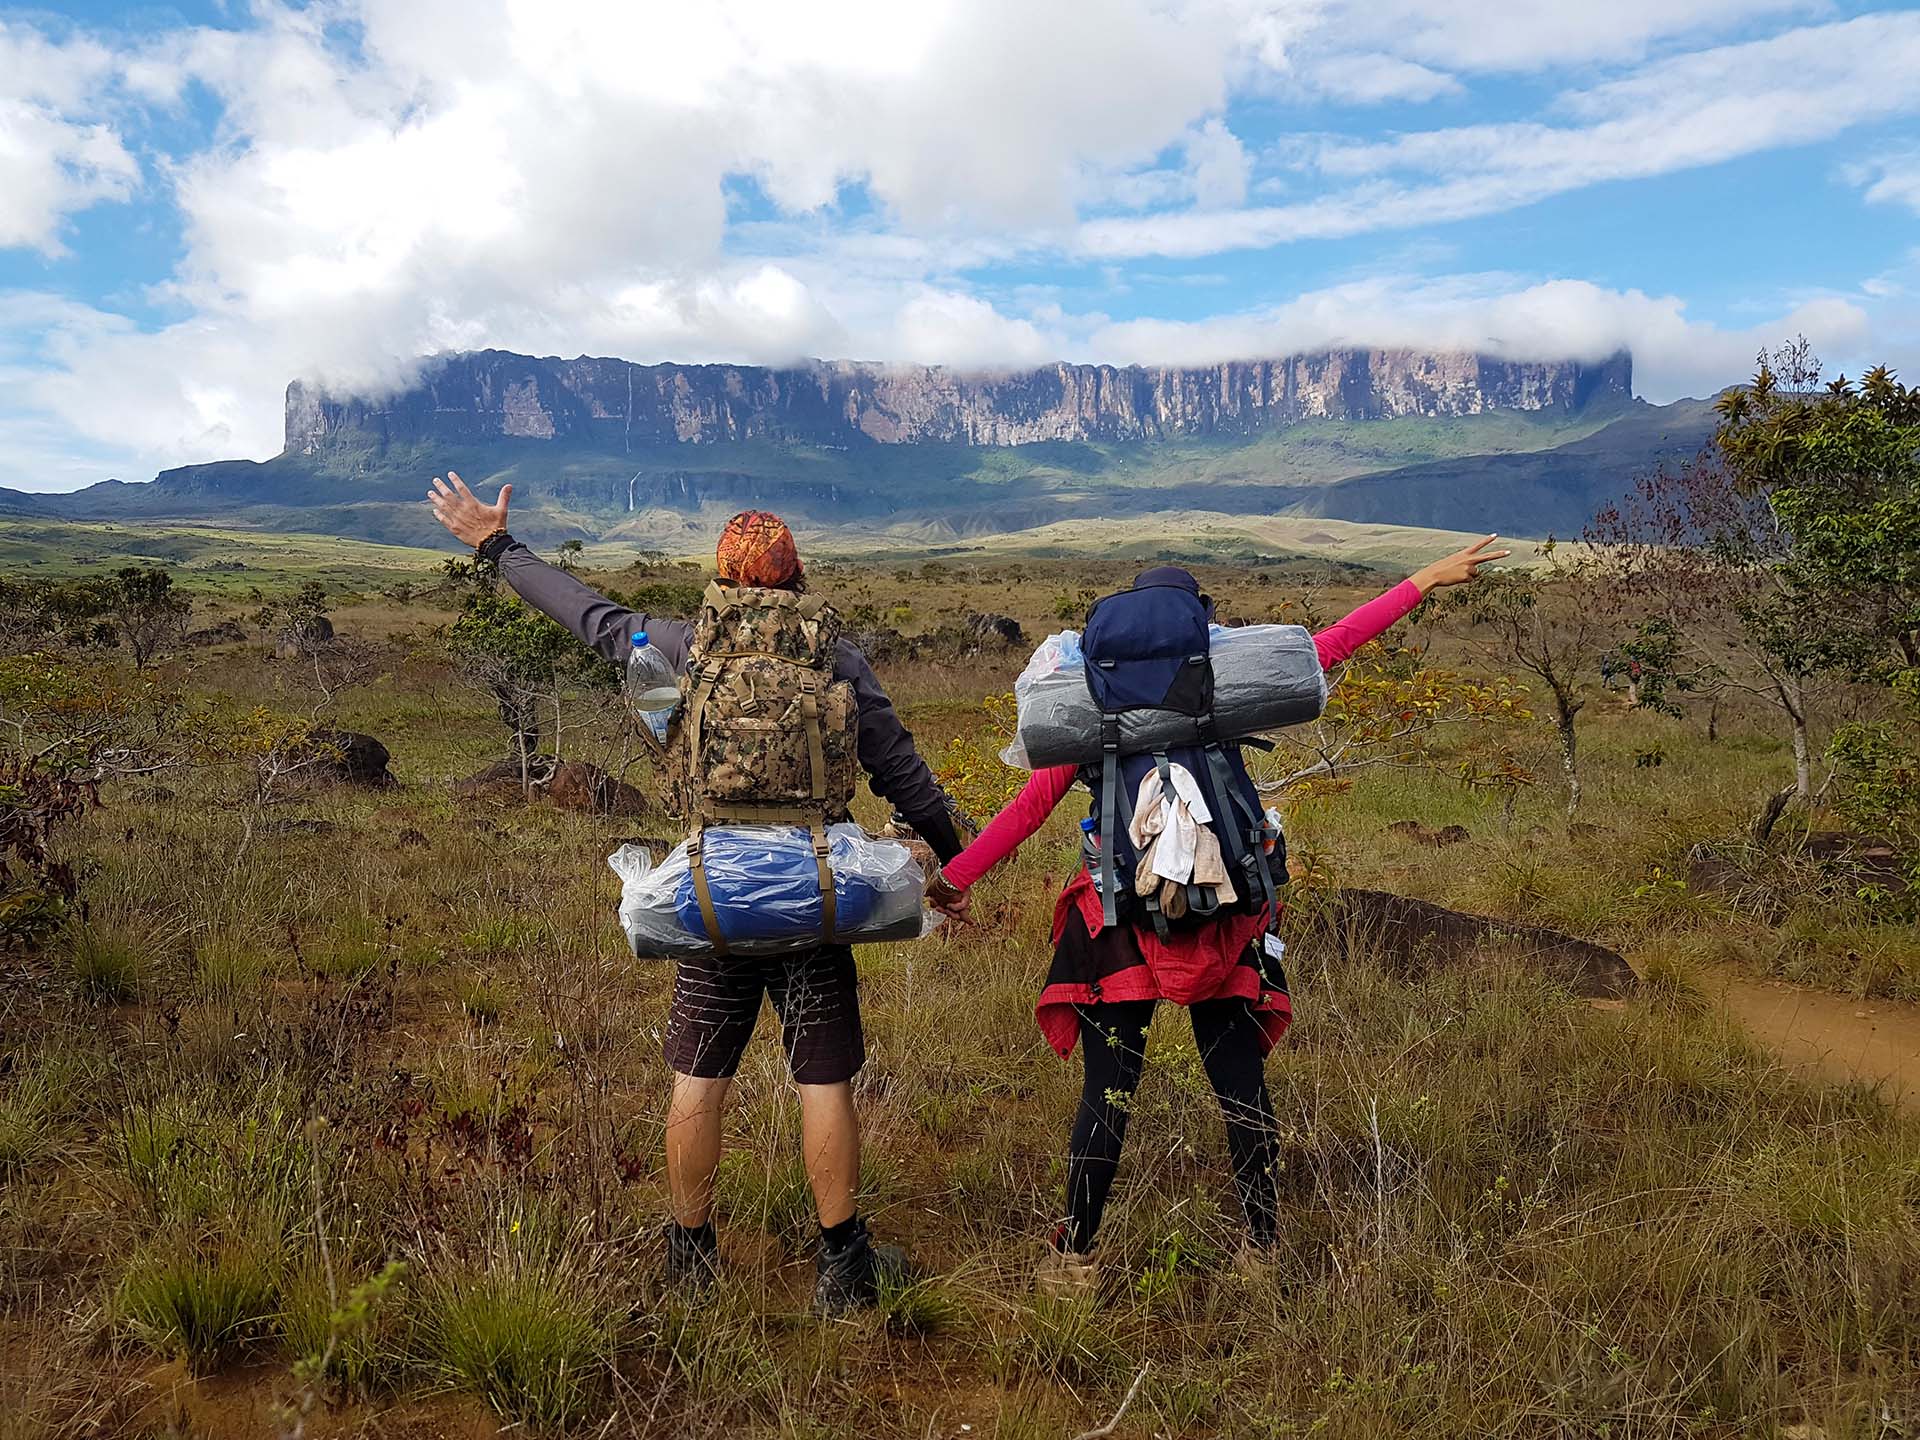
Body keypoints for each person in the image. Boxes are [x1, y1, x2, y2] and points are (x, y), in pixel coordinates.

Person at [426, 474, 967, 1314]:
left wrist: (497, 547)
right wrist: (954, 863)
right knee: (821, 1081)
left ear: (721, 576)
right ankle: (842, 1265)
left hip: (711, 897)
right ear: (794, 577)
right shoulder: (839, 658)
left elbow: (582, 611)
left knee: (698, 1075)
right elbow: (905, 774)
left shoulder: (676, 646)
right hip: (817, 898)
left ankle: (690, 1252)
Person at [925, 537, 1509, 1292]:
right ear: (1198, 624)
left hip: (1118, 916)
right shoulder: (1221, 686)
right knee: (1240, 1086)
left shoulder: (1092, 702)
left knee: (1108, 1093)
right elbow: (1327, 649)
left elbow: (1031, 807)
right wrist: (1423, 580)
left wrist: (956, 878)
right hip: (1225, 911)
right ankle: (1261, 1252)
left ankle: (1071, 1259)